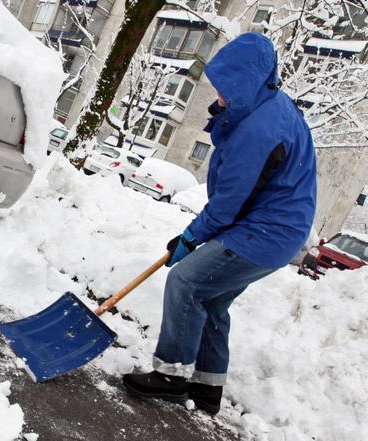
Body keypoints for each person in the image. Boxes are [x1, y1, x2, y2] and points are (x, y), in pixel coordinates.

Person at [122, 32, 317, 415]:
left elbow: (230, 201)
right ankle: (208, 389)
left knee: (186, 281)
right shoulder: (266, 106)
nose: (220, 94)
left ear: (246, 82)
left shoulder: (260, 128)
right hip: (273, 229)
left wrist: (191, 237)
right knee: (211, 299)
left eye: (225, 87)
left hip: (265, 231)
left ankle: (171, 377)